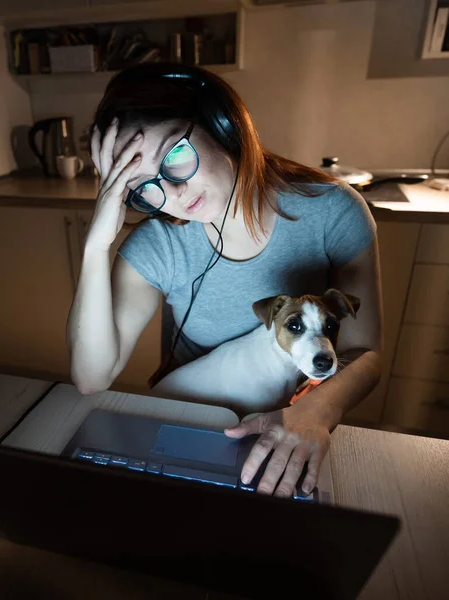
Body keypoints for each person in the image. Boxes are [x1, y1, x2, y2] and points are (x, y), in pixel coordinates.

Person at [67, 62, 382, 498]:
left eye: (174, 156)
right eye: (142, 186)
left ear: (222, 124)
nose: (172, 195)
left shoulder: (331, 211)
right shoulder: (158, 244)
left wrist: (315, 413)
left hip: (293, 428)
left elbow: (364, 353)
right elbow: (91, 377)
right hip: (190, 430)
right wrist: (95, 245)